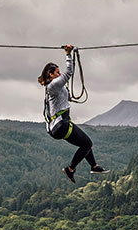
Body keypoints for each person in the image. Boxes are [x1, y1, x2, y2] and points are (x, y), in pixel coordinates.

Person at [38, 44, 110, 183]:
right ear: (51, 75)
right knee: (87, 143)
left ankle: (94, 166)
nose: (59, 75)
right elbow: (69, 73)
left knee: (85, 143)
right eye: (57, 73)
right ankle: (70, 169)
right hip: (61, 125)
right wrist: (68, 54)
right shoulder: (53, 85)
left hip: (57, 127)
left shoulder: (51, 87)